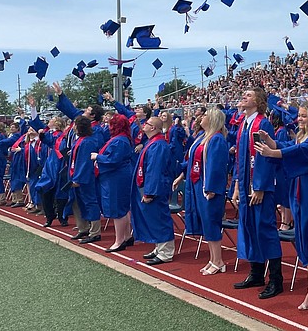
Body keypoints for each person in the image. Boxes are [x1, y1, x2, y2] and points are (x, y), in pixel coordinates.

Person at [255, 101, 308, 315]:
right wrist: (273, 143)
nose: (300, 119)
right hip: (298, 193)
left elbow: (297, 151)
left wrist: (273, 151)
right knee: (303, 240)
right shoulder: (302, 136)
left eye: (305, 116)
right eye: (300, 115)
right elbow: (290, 146)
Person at [231, 88, 283, 299]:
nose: (244, 96)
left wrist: (260, 186)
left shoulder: (263, 123)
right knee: (250, 228)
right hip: (244, 187)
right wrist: (236, 186)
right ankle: (256, 273)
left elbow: (265, 156)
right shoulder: (244, 124)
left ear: (259, 101)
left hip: (259, 187)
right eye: (243, 94)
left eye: (249, 95)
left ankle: (276, 280)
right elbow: (239, 160)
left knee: (265, 230)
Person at [173, 107, 229, 274]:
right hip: (197, 184)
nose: (201, 118)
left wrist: (211, 187)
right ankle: (213, 259)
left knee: (211, 222)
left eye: (205, 115)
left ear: (212, 119)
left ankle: (218, 261)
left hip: (208, 187)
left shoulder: (217, 139)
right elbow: (192, 161)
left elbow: (216, 166)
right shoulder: (202, 137)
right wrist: (181, 175)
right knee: (205, 223)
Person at [130, 116, 176, 265]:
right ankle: (159, 247)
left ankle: (166, 252)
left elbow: (154, 171)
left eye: (147, 123)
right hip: (150, 186)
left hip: (156, 189)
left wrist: (149, 192)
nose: (144, 125)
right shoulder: (152, 142)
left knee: (160, 219)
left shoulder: (158, 145)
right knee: (153, 219)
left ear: (153, 128)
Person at [91, 114, 135, 253]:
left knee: (118, 209)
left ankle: (119, 240)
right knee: (123, 209)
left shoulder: (119, 141)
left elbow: (113, 160)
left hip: (116, 177)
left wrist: (98, 157)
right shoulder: (121, 139)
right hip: (117, 176)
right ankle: (127, 236)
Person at [68, 115, 102, 244]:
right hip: (76, 175)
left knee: (90, 202)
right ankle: (84, 228)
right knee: (79, 203)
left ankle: (95, 232)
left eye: (75, 125)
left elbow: (85, 163)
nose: (73, 127)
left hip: (85, 178)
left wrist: (78, 179)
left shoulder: (88, 141)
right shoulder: (80, 140)